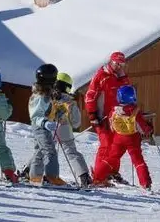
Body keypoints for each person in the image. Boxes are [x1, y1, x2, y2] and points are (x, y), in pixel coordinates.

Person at [92, 85, 153, 190]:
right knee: (138, 161)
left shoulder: (114, 111)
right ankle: (145, 183)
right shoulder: (135, 112)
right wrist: (149, 128)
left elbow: (111, 125)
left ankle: (98, 177)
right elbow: (143, 128)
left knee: (111, 159)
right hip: (132, 139)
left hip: (118, 138)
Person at [84, 51, 131, 184]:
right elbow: (90, 96)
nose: (120, 66)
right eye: (117, 63)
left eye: (122, 64)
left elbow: (128, 93)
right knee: (106, 145)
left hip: (117, 117)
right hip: (102, 117)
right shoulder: (101, 76)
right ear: (111, 62)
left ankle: (112, 172)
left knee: (117, 144)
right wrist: (93, 115)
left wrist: (123, 78)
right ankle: (98, 176)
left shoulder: (121, 77)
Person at [27, 64, 66, 186]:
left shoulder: (47, 93)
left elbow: (49, 108)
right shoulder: (40, 96)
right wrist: (45, 123)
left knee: (39, 152)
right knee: (49, 151)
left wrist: (58, 111)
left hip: (44, 126)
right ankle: (51, 177)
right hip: (41, 127)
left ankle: (35, 178)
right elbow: (35, 115)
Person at [52, 72, 92, 188]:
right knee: (71, 152)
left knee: (42, 150)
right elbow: (76, 123)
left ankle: (28, 171)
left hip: (49, 127)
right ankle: (84, 177)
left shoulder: (48, 97)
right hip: (64, 128)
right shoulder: (70, 102)